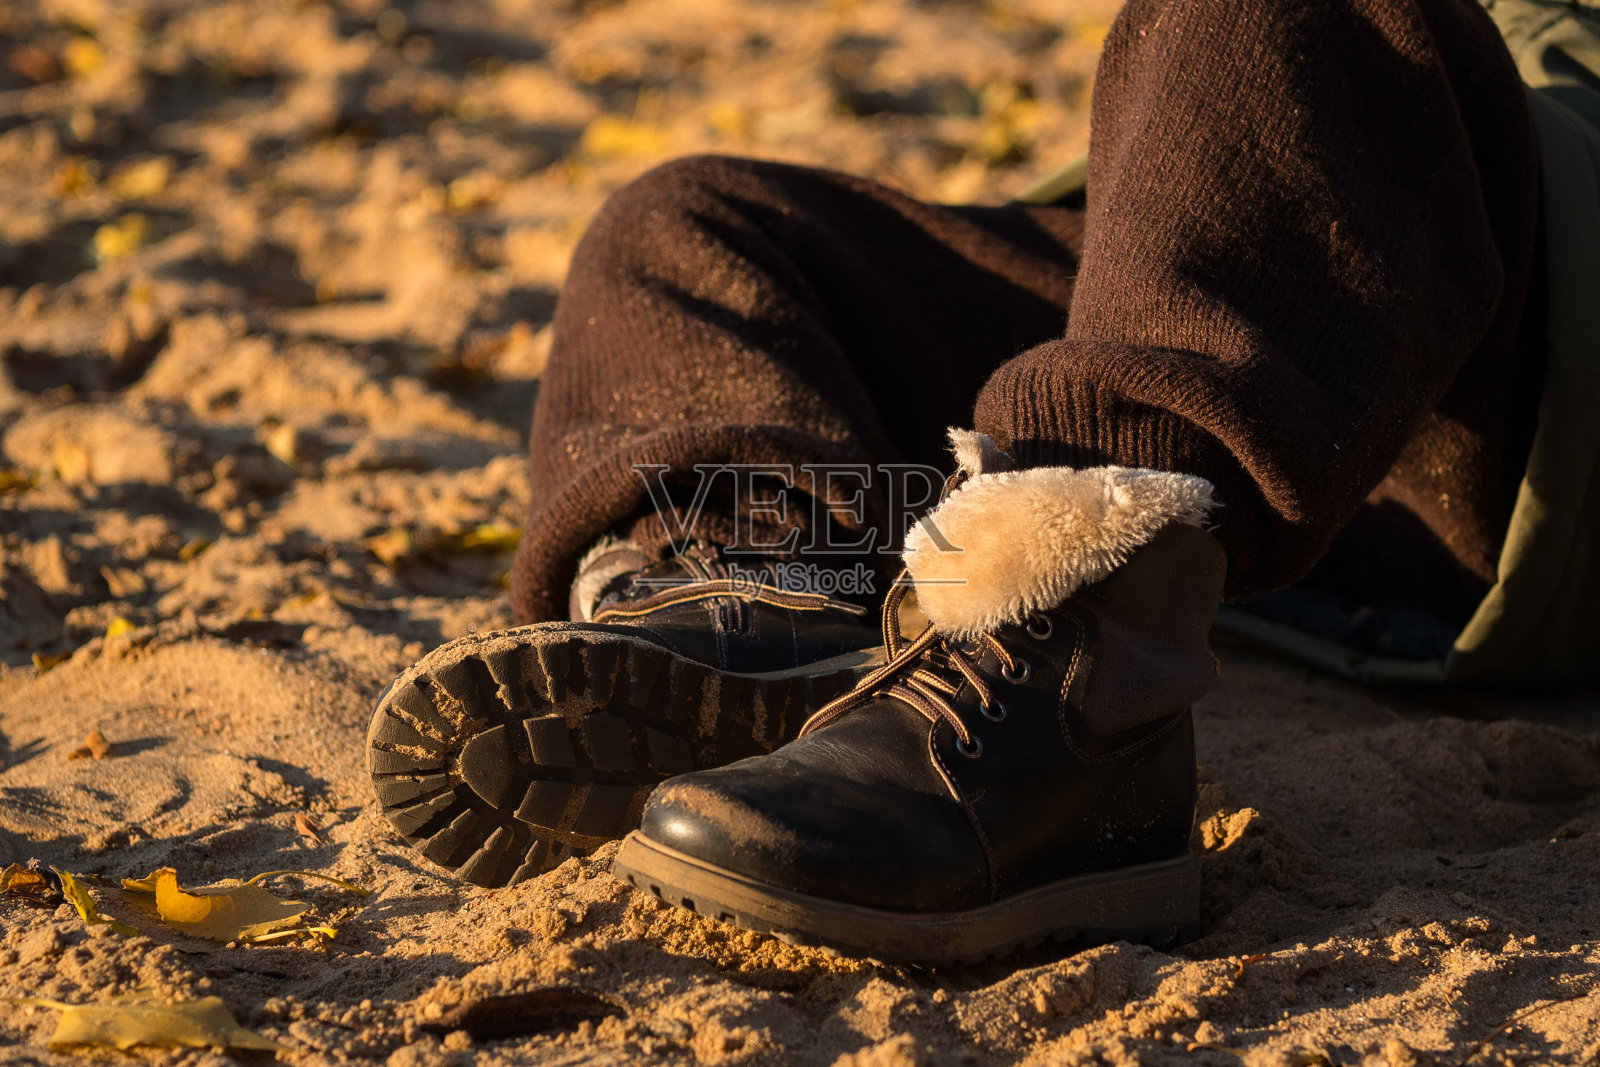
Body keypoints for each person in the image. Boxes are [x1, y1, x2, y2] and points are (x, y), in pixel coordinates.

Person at [365, 0, 1599, 964]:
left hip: (1546, 378)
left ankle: (1078, 694)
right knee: (695, 224)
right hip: (1335, 298)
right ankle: (763, 600)